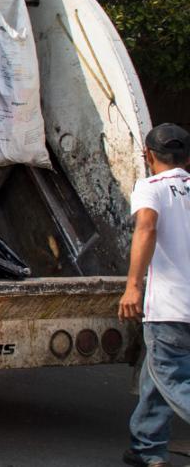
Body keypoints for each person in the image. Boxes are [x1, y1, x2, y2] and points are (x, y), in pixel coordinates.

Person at [120, 123, 190, 467]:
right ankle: (147, 447)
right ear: (187, 158)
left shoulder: (151, 187)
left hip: (170, 309)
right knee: (156, 374)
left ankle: (148, 447)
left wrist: (133, 285)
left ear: (148, 155)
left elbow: (146, 227)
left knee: (172, 378)